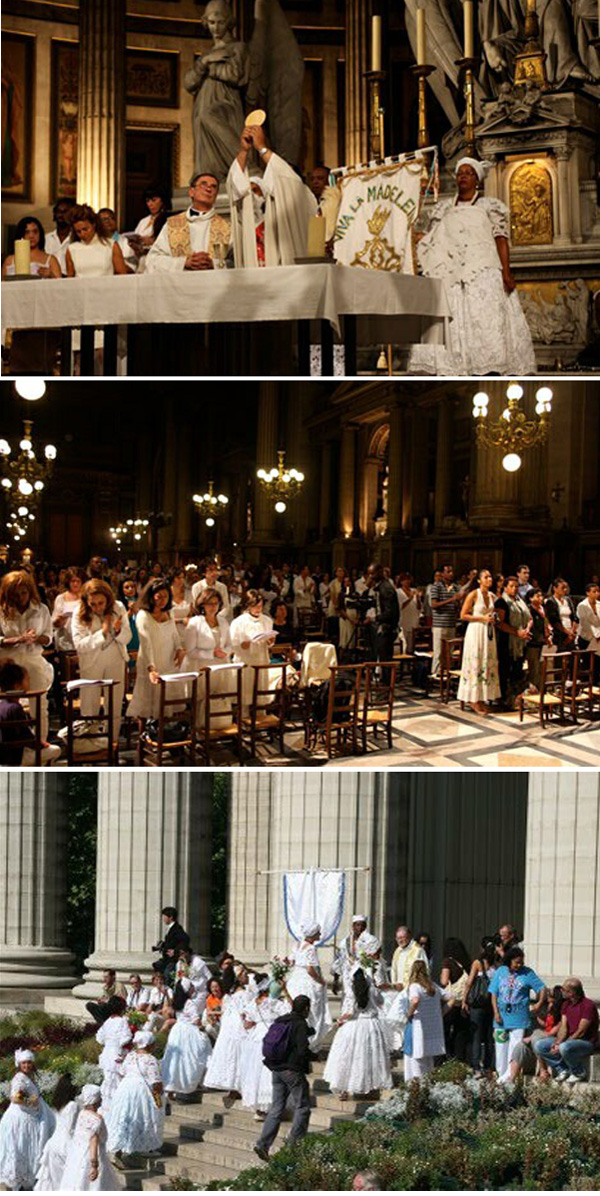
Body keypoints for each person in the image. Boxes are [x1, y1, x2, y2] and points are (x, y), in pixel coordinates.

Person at [407, 158, 536, 376]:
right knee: (452, 320)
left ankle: (489, 366)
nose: (463, 176)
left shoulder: (489, 207)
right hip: (450, 272)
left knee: (485, 319)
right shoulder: (444, 208)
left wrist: (506, 271)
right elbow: (435, 239)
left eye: (468, 173)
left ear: (476, 179)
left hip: (483, 269)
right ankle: (452, 366)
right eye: (460, 173)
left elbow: (500, 238)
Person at [227, 123, 317, 268]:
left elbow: (288, 179)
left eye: (256, 190)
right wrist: (244, 151)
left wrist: (262, 148)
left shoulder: (300, 196)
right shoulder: (252, 215)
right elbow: (237, 188)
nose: (253, 196)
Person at [184, 0, 249, 182]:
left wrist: (208, 67)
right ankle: (209, 177)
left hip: (225, 99)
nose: (216, 27)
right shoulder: (207, 54)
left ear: (228, 22)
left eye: (220, 22)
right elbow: (189, 83)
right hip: (204, 98)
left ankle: (246, 164)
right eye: (212, 22)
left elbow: (236, 75)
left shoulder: (238, 47)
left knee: (208, 116)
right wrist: (204, 62)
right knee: (203, 129)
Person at [254, 994, 315, 1161]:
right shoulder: (300, 1023)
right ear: (306, 1009)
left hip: (276, 1070)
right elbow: (302, 1050)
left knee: (276, 1108)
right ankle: (293, 1146)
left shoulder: (282, 1020)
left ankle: (262, 1144)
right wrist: (313, 1057)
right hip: (292, 1071)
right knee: (302, 1107)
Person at [71, 579, 131, 747]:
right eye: (93, 604)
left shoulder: (118, 607)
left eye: (101, 603)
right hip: (91, 662)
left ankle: (112, 743)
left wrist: (118, 630)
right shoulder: (79, 613)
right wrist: (103, 632)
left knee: (115, 704)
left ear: (108, 599)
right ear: (86, 601)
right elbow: (80, 645)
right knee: (90, 704)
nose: (98, 607)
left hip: (115, 659)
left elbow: (128, 637)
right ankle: (89, 744)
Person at [0, 570, 54, 741]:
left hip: (33, 659)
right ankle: (11, 747)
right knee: (7, 706)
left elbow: (48, 638)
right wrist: (17, 639)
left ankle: (41, 744)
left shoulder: (41, 609)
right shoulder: (2, 610)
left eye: (24, 592)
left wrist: (36, 638)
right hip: (9, 662)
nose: (21, 597)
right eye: (16, 594)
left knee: (39, 705)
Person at [324, 962, 391, 1098]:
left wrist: (339, 1021)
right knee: (369, 1057)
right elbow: (381, 1002)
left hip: (354, 1025)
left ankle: (344, 1090)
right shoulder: (372, 988)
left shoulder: (351, 991)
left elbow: (349, 1012)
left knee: (346, 1057)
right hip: (371, 1025)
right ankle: (370, 1086)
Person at [146, 172, 231, 272]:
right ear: (191, 192)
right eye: (204, 184)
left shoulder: (227, 227)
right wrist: (184, 263)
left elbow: (238, 262)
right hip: (180, 285)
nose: (209, 189)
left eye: (214, 187)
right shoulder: (172, 224)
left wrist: (214, 264)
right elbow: (152, 260)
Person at [126, 578, 186, 721]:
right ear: (151, 596)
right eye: (159, 597)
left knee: (167, 702)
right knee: (147, 703)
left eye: (166, 596)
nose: (162, 600)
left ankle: (164, 733)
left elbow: (174, 634)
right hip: (150, 660)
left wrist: (179, 649)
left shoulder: (169, 612)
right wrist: (151, 668)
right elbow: (145, 643)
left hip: (168, 659)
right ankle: (145, 736)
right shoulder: (143, 615)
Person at [0, 1049, 56, 1190]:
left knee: (23, 1150)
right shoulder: (19, 1078)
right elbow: (15, 1098)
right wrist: (32, 1101)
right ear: (19, 1064)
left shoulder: (27, 1077)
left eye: (29, 1062)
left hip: (27, 1118)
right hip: (20, 1120)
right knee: (19, 1149)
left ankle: (23, 1181)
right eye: (24, 1063)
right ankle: (18, 1181)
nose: (27, 1065)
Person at [489, 946, 546, 1083]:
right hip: (501, 1018)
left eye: (521, 962)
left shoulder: (527, 973)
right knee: (500, 1047)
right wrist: (496, 1012)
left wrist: (538, 1004)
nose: (519, 965)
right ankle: (500, 1074)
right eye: (516, 962)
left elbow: (542, 988)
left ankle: (509, 1076)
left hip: (519, 1018)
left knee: (515, 1048)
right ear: (509, 961)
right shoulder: (500, 971)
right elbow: (493, 993)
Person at [106, 1031, 165, 1160]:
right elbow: (155, 1081)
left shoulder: (130, 1056)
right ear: (149, 1044)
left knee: (125, 1115)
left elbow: (122, 1071)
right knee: (145, 1115)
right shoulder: (151, 1059)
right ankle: (145, 1147)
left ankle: (122, 1144)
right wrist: (160, 1094)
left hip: (126, 1088)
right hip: (141, 1090)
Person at [240, 978, 290, 1118]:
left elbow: (247, 1024)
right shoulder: (275, 1003)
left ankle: (258, 1108)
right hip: (272, 1035)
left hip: (255, 1038)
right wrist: (286, 992)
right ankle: (271, 1105)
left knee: (255, 1071)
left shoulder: (252, 1003)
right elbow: (290, 1013)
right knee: (269, 1071)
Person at [533, 977, 599, 1084]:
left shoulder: (588, 1005)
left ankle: (578, 1072)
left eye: (563, 989)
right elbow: (564, 1027)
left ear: (571, 992)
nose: (561, 991)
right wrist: (557, 1042)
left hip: (586, 1042)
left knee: (565, 1047)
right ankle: (562, 1069)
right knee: (540, 1045)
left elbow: (581, 1031)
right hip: (569, 1040)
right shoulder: (566, 1004)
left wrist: (563, 1044)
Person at [0, 659, 61, 766]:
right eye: (27, 680)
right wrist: (41, 744)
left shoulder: (2, 704)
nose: (29, 682)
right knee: (56, 750)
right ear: (17, 685)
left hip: (4, 756)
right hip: (16, 757)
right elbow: (25, 736)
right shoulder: (15, 707)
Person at [59, 1083, 119, 1191]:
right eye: (100, 1097)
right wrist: (94, 1165)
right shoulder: (97, 1119)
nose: (101, 1099)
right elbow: (93, 1142)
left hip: (77, 1155)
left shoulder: (82, 1114)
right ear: (95, 1100)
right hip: (92, 1155)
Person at [457, 568, 501, 715]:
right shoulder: (473, 594)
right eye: (486, 577)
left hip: (488, 632)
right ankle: (473, 699)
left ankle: (482, 697)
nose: (489, 579)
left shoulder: (491, 595)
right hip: (476, 631)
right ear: (479, 580)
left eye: (490, 577)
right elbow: (463, 615)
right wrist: (481, 618)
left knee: (486, 662)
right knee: (476, 662)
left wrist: (493, 619)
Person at [204, 964, 251, 1100]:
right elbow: (246, 1013)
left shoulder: (229, 995)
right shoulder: (243, 994)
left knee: (233, 1056)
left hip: (229, 1027)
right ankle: (238, 1086)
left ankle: (235, 1087)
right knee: (240, 1055)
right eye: (244, 974)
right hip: (237, 1027)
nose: (246, 976)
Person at [161, 978, 213, 1098]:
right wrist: (202, 1028)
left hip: (178, 1031)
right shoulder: (189, 1003)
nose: (192, 988)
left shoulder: (177, 1002)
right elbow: (196, 1020)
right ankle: (187, 1084)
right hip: (189, 1031)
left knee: (176, 1060)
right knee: (193, 1057)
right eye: (191, 987)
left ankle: (172, 1086)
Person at [230, 589, 276, 715]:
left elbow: (269, 642)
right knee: (245, 693)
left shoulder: (267, 620)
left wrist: (270, 641)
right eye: (255, 606)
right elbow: (234, 644)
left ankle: (261, 719)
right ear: (248, 605)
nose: (258, 609)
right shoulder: (239, 622)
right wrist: (244, 645)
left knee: (260, 692)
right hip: (245, 661)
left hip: (261, 659)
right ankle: (244, 720)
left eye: (260, 606)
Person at [286, 923, 332, 1049]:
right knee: (311, 1012)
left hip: (295, 980)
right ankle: (309, 1042)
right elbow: (310, 970)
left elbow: (290, 962)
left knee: (295, 1009)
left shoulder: (297, 945)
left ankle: (294, 1040)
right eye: (318, 933)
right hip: (307, 982)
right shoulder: (311, 948)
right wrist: (321, 981)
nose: (320, 935)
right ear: (313, 935)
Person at [404, 960, 450, 1080]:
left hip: (419, 1025)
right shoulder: (433, 986)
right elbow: (451, 998)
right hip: (432, 1027)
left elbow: (415, 1000)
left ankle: (417, 1086)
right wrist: (442, 1012)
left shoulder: (415, 986)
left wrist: (409, 1013)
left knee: (417, 1058)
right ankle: (428, 1084)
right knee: (429, 1060)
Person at [33, 1075, 79, 1191]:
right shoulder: (73, 1106)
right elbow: (71, 1128)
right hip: (66, 1145)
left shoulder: (57, 1104)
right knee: (68, 1180)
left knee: (54, 1181)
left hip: (53, 1144)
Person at [495, 575, 532, 709]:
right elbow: (499, 623)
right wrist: (517, 632)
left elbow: (529, 617)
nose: (514, 589)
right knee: (505, 670)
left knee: (518, 670)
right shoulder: (501, 602)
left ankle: (516, 697)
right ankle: (504, 698)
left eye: (516, 586)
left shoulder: (520, 600)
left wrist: (527, 630)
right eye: (511, 586)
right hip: (507, 641)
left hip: (521, 641)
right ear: (505, 587)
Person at [462, 937, 497, 1074]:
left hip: (477, 1004)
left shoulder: (478, 963)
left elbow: (469, 982)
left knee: (476, 1036)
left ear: (482, 948)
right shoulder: (497, 965)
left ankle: (476, 1066)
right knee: (489, 1036)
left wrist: (464, 1000)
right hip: (491, 1004)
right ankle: (488, 1066)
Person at [65, 204, 130, 276]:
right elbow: (70, 279)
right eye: (78, 231)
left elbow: (122, 275)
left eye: (85, 229)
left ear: (93, 224)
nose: (82, 234)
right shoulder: (72, 249)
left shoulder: (111, 246)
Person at [95, 996, 132, 1113]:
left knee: (108, 1080)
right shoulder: (122, 1021)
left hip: (106, 1053)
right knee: (117, 1082)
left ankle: (107, 1106)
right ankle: (117, 1107)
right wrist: (120, 1045)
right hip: (116, 1053)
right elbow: (127, 1037)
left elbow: (99, 1037)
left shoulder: (107, 1021)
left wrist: (108, 1042)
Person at [440, 937, 471, 1062]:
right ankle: (460, 1058)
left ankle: (447, 1057)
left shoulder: (447, 962)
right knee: (460, 1031)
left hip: (451, 1002)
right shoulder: (466, 963)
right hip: (463, 1002)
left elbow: (444, 981)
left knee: (446, 1030)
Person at [366, 563, 400, 676]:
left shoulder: (386, 588)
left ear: (380, 572)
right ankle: (383, 682)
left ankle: (386, 686)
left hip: (387, 627)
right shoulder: (379, 586)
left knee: (385, 659)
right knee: (380, 656)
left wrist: (375, 618)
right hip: (382, 626)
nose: (370, 576)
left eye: (372, 573)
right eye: (369, 574)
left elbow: (390, 612)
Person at [52, 567, 85, 653]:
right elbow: (53, 623)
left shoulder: (86, 598)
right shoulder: (60, 598)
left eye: (78, 581)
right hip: (64, 640)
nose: (75, 584)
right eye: (73, 581)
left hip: (82, 638)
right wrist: (59, 620)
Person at [152, 906, 191, 979]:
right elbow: (173, 942)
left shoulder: (176, 928)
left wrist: (175, 951)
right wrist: (163, 945)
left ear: (171, 917)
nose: (163, 919)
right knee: (158, 969)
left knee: (168, 976)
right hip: (167, 960)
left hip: (172, 961)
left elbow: (186, 939)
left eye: (165, 916)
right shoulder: (172, 928)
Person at [525, 588, 549, 691]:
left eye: (541, 596)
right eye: (537, 596)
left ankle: (542, 690)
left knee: (542, 668)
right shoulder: (529, 609)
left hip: (543, 642)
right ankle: (533, 692)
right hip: (532, 642)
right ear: (530, 598)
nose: (540, 598)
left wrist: (549, 635)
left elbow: (547, 624)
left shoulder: (543, 609)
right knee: (533, 668)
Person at [544, 578, 577, 652]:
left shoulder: (568, 600)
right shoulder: (550, 601)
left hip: (570, 633)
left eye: (566, 588)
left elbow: (574, 617)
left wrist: (572, 632)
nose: (565, 590)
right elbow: (554, 621)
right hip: (559, 634)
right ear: (555, 588)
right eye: (563, 588)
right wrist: (566, 632)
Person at [45, 196, 76, 274]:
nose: (60, 215)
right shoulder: (46, 239)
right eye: (58, 211)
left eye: (64, 212)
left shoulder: (76, 239)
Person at [576, 582, 600, 681]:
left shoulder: (599, 604)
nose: (597, 593)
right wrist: (596, 635)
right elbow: (585, 622)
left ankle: (595, 684)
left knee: (597, 663)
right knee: (587, 663)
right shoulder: (582, 605)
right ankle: (585, 685)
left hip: (598, 638)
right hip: (586, 637)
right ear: (588, 593)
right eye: (594, 591)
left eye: (598, 591)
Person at [396, 573, 421, 654]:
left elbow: (419, 607)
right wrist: (410, 598)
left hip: (413, 621)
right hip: (403, 621)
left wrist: (417, 598)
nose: (407, 581)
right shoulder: (398, 592)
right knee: (404, 644)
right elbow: (400, 606)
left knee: (411, 646)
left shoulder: (414, 590)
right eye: (405, 580)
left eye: (409, 579)